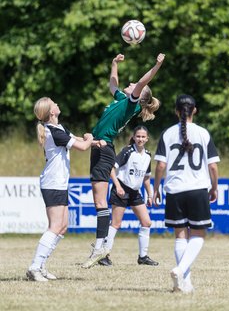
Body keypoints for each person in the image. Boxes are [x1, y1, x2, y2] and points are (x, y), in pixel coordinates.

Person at [81, 52, 165, 268]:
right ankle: (101, 248)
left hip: (104, 147)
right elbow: (112, 85)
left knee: (101, 202)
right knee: (99, 201)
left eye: (135, 84)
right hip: (98, 146)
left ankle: (101, 249)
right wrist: (113, 64)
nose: (132, 83)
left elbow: (145, 80)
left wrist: (157, 65)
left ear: (139, 94)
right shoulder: (122, 99)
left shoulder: (133, 103)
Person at [26, 97, 103, 282]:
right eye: (54, 103)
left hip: (58, 183)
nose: (58, 104)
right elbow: (82, 147)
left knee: (63, 227)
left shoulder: (59, 129)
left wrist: (95, 142)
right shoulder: (53, 131)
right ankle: (35, 267)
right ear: (51, 112)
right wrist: (90, 139)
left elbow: (76, 139)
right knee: (55, 226)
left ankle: (41, 265)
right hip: (52, 183)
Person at [153, 94, 220, 293]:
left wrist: (156, 188)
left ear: (176, 111)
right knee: (198, 235)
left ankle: (185, 281)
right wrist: (214, 187)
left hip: (174, 191)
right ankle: (181, 270)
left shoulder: (167, 133)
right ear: (195, 110)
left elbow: (160, 165)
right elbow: (213, 167)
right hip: (197, 189)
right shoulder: (203, 133)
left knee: (180, 237)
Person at [98, 125, 159, 267]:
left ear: (147, 138)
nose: (140, 139)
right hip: (122, 188)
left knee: (147, 222)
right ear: (134, 137)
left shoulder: (148, 155)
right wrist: (118, 186)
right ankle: (103, 255)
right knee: (116, 224)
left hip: (135, 192)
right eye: (138, 136)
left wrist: (150, 195)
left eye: (143, 137)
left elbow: (146, 178)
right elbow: (112, 169)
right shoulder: (127, 151)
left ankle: (143, 257)